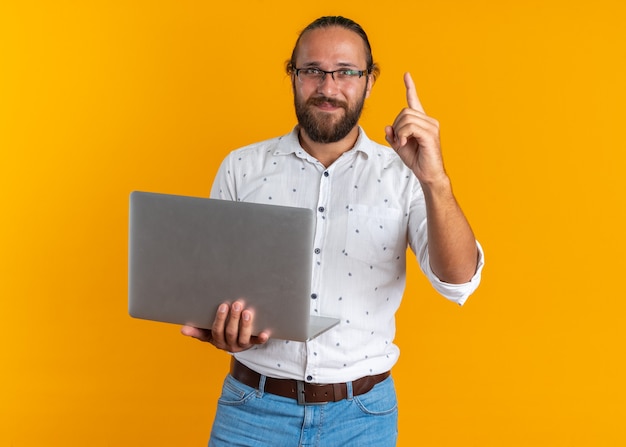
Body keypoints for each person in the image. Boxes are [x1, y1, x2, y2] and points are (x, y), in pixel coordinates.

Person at [181, 15, 484, 447]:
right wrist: (222, 327)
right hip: (251, 411)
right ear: (292, 75)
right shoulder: (241, 167)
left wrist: (434, 180)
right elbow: (214, 290)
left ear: (369, 80)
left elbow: (459, 283)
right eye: (312, 71)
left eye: (345, 72)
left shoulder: (404, 175)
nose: (328, 87)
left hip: (363, 420)